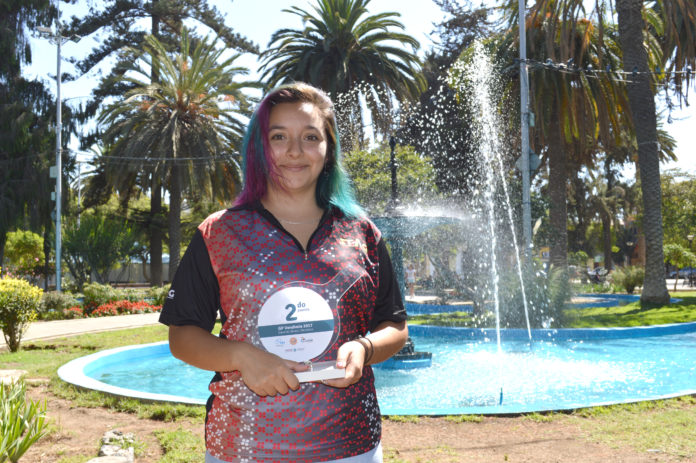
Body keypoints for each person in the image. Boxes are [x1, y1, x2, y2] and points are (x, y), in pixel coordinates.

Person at [159, 82, 408, 463]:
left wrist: (364, 347)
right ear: (260, 148)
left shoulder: (362, 232)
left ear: (328, 151)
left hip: (352, 446)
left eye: (310, 136)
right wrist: (241, 356)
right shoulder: (219, 233)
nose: (294, 151)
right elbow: (183, 335)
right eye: (279, 137)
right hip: (244, 447)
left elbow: (394, 326)